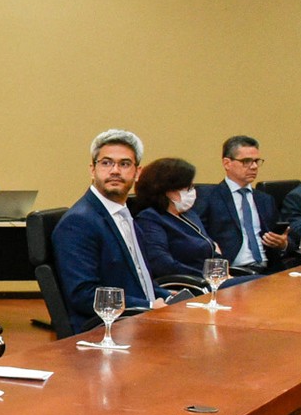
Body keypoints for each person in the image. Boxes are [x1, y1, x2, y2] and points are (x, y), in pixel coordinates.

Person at [51, 129, 162, 335]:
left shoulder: (125, 215)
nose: (115, 171)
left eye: (124, 164)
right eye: (106, 163)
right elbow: (83, 295)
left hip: (138, 320)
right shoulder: (79, 222)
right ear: (92, 170)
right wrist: (148, 307)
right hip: (105, 332)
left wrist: (170, 297)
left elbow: (139, 280)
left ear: (138, 173)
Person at [194, 136, 291, 274]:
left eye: (256, 161)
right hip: (233, 272)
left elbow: (287, 237)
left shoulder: (265, 199)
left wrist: (283, 243)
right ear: (227, 163)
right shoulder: (209, 197)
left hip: (269, 270)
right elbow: (198, 238)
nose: (254, 166)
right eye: (246, 161)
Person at [132, 157, 225, 285]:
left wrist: (222, 272)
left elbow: (212, 251)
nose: (193, 191)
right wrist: (208, 276)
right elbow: (163, 265)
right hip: (190, 285)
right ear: (167, 190)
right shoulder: (150, 220)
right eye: (188, 187)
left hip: (213, 281)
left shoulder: (189, 215)